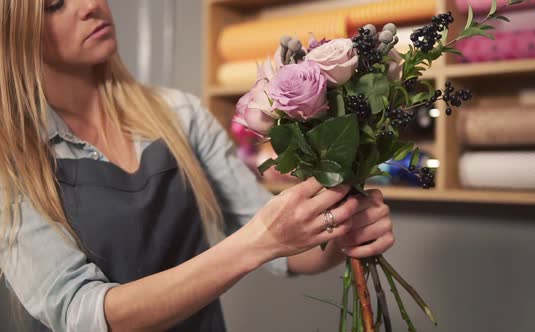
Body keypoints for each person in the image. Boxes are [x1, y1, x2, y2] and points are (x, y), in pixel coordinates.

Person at [0, 0, 396, 331]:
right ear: (15, 28)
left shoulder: (180, 115)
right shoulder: (12, 161)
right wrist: (259, 241)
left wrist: (339, 236)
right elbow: (81, 313)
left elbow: (285, 252)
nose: (90, 6)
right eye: (55, 3)